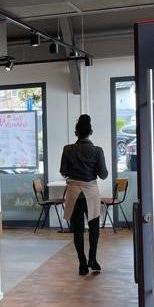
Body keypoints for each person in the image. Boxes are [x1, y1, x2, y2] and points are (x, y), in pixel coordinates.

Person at [60, 114, 109, 276]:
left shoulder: (67, 149)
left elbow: (63, 171)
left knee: (78, 230)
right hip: (91, 193)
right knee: (94, 228)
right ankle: (92, 259)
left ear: (76, 132)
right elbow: (103, 175)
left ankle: (82, 264)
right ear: (91, 132)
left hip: (74, 193)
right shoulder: (97, 151)